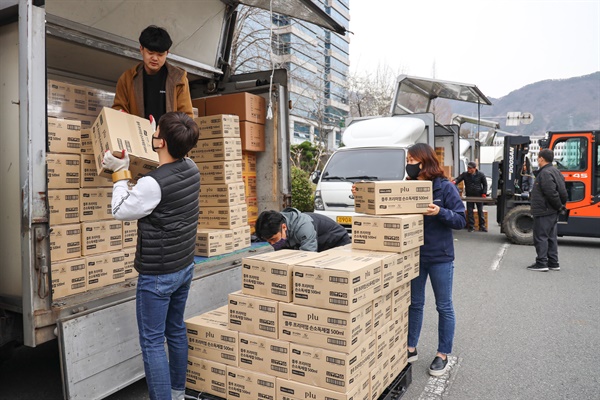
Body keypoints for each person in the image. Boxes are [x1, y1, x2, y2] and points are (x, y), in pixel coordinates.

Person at [103, 112, 200, 400]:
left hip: (158, 273)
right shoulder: (192, 167)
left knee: (153, 342)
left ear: (161, 142)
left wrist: (119, 172)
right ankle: (178, 394)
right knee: (175, 329)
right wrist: (157, 135)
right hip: (184, 265)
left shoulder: (152, 184)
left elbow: (121, 210)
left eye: (156, 132)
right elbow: (169, 155)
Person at [403, 143, 466, 377]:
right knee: (414, 304)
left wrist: (439, 212)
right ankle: (410, 347)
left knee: (444, 306)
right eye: (407, 160)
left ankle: (442, 353)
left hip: (440, 257)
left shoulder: (445, 188)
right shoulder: (408, 187)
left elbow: (461, 220)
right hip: (415, 256)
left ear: (424, 161)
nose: (408, 164)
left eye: (411, 159)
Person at [112, 25, 193, 123]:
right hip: (137, 135)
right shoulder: (127, 78)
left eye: (160, 54)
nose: (155, 58)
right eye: (150, 52)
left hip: (168, 137)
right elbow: (118, 110)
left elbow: (187, 117)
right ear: (141, 49)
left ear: (167, 53)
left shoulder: (178, 78)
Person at [527, 148, 568, 272]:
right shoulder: (556, 171)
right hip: (552, 211)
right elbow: (563, 192)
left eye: (538, 158)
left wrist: (557, 205)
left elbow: (551, 193)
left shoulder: (544, 173)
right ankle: (553, 262)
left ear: (541, 158)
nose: (538, 160)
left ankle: (542, 263)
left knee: (541, 237)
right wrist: (560, 206)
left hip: (544, 210)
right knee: (551, 237)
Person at [255, 207, 351, 252]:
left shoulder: (304, 227)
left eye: (273, 239)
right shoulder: (278, 225)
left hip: (337, 241)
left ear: (284, 227)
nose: (272, 244)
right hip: (319, 245)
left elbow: (307, 258)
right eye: (268, 241)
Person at [453, 161, 488, 232]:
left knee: (480, 211)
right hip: (469, 195)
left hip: (479, 195)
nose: (468, 169)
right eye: (468, 168)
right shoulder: (465, 174)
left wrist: (484, 193)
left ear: (474, 169)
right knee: (470, 211)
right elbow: (458, 179)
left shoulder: (481, 174)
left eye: (470, 168)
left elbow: (485, 184)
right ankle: (471, 226)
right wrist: (454, 182)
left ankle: (482, 226)